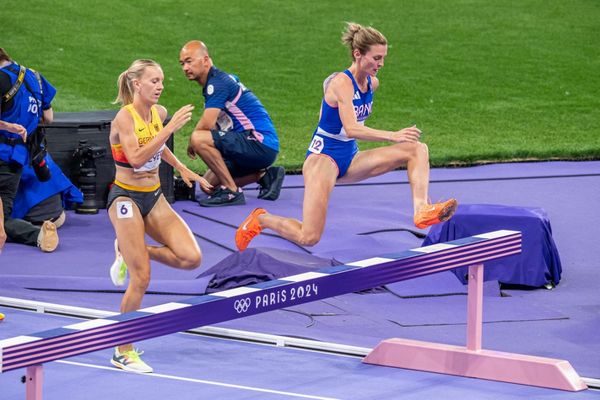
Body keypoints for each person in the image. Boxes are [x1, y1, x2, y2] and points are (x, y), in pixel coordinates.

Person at [235, 23, 457, 251]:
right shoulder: (341, 83)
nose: (381, 64)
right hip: (324, 160)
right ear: (357, 54)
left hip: (350, 156)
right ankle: (261, 219)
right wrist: (393, 135)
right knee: (309, 237)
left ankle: (421, 209)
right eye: (376, 58)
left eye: (383, 58)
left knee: (417, 149)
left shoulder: (372, 83)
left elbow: (351, 126)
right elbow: (351, 128)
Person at [107, 59, 212, 373]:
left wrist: (181, 167)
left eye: (162, 81)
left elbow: (159, 147)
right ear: (137, 84)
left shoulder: (159, 113)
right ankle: (122, 350)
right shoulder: (124, 118)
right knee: (141, 278)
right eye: (154, 81)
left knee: (191, 258)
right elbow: (137, 157)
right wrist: (169, 129)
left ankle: (128, 252)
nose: (160, 86)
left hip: (153, 196)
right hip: (125, 197)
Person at [179, 40, 285, 207]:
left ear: (205, 60)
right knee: (207, 185)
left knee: (199, 138)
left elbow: (207, 124)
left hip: (258, 142)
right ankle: (265, 175)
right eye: (182, 63)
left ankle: (232, 191)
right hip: (258, 145)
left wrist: (193, 143)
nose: (185, 68)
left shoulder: (217, 84)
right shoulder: (218, 81)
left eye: (189, 61)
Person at [0, 48, 59, 252]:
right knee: (4, 215)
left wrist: (8, 124)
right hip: (18, 157)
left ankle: (37, 234)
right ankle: (39, 235)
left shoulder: (1, 79)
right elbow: (48, 118)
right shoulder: (35, 77)